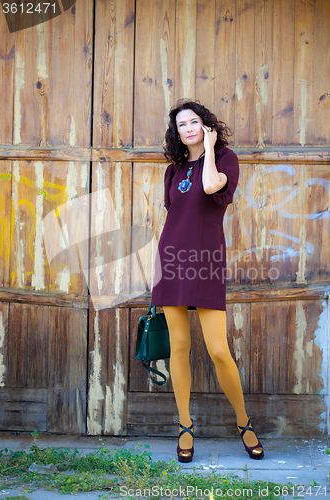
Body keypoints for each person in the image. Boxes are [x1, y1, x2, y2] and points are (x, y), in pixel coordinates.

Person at [151, 99, 264, 463]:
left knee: (218, 350)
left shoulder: (225, 159)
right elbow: (176, 215)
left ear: (206, 125)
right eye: (181, 124)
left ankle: (244, 423)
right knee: (179, 347)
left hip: (207, 260)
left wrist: (211, 149)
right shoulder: (174, 170)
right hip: (172, 259)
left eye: (194, 122)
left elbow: (213, 187)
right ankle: (185, 426)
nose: (188, 128)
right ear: (177, 133)